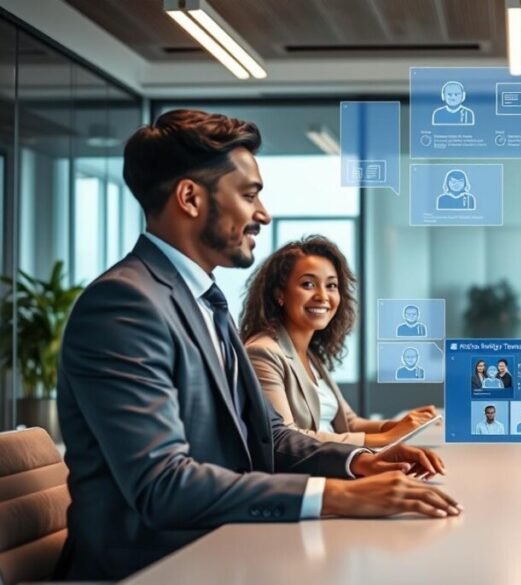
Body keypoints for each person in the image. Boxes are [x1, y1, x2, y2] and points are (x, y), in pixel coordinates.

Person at [55, 110, 459, 580]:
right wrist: (336, 496)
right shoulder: (124, 305)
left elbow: (272, 436)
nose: (263, 214)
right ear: (189, 198)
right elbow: (162, 485)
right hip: (155, 567)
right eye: (249, 196)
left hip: (223, 548)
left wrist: (362, 462)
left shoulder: (204, 298)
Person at [241, 235, 440, 449]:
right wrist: (384, 439)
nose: (322, 296)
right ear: (280, 294)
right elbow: (285, 437)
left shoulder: (311, 355)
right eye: (308, 284)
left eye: (331, 285)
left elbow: (350, 423)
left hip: (337, 463)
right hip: (310, 475)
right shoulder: (263, 352)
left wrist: (403, 425)